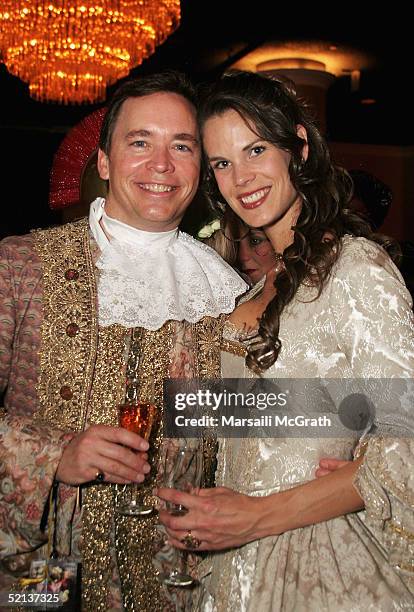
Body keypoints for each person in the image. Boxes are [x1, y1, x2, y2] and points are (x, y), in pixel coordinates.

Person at [157, 71, 414, 611]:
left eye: (254, 150)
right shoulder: (250, 288)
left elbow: (407, 443)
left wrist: (257, 515)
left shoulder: (357, 268)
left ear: (298, 147)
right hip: (230, 566)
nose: (239, 178)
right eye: (222, 163)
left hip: (317, 564)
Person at [0, 71, 247, 611]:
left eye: (181, 146)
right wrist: (53, 452)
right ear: (105, 163)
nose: (162, 165)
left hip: (177, 577)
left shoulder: (228, 291)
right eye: (140, 142)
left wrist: (350, 432)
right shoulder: (21, 265)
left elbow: (244, 416)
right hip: (40, 568)